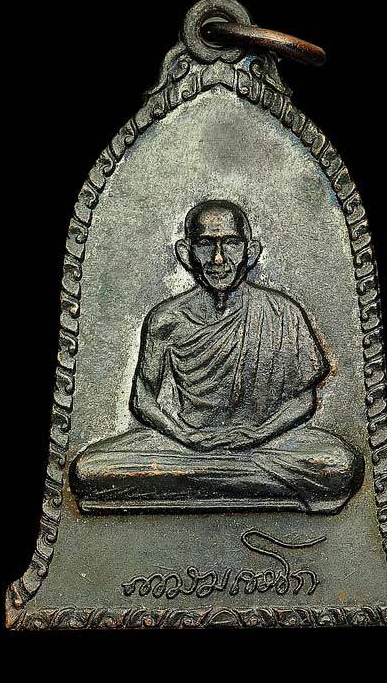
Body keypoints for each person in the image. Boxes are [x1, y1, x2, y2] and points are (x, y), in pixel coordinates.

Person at [70, 200, 364, 513]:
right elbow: (143, 399)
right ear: (185, 253)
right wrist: (185, 435)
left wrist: (258, 434)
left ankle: (206, 479)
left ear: (251, 251)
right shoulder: (166, 319)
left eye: (231, 244)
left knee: (337, 463)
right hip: (185, 445)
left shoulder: (282, 313)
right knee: (88, 470)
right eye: (206, 244)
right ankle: (236, 478)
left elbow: (304, 400)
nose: (218, 259)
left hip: (270, 442)